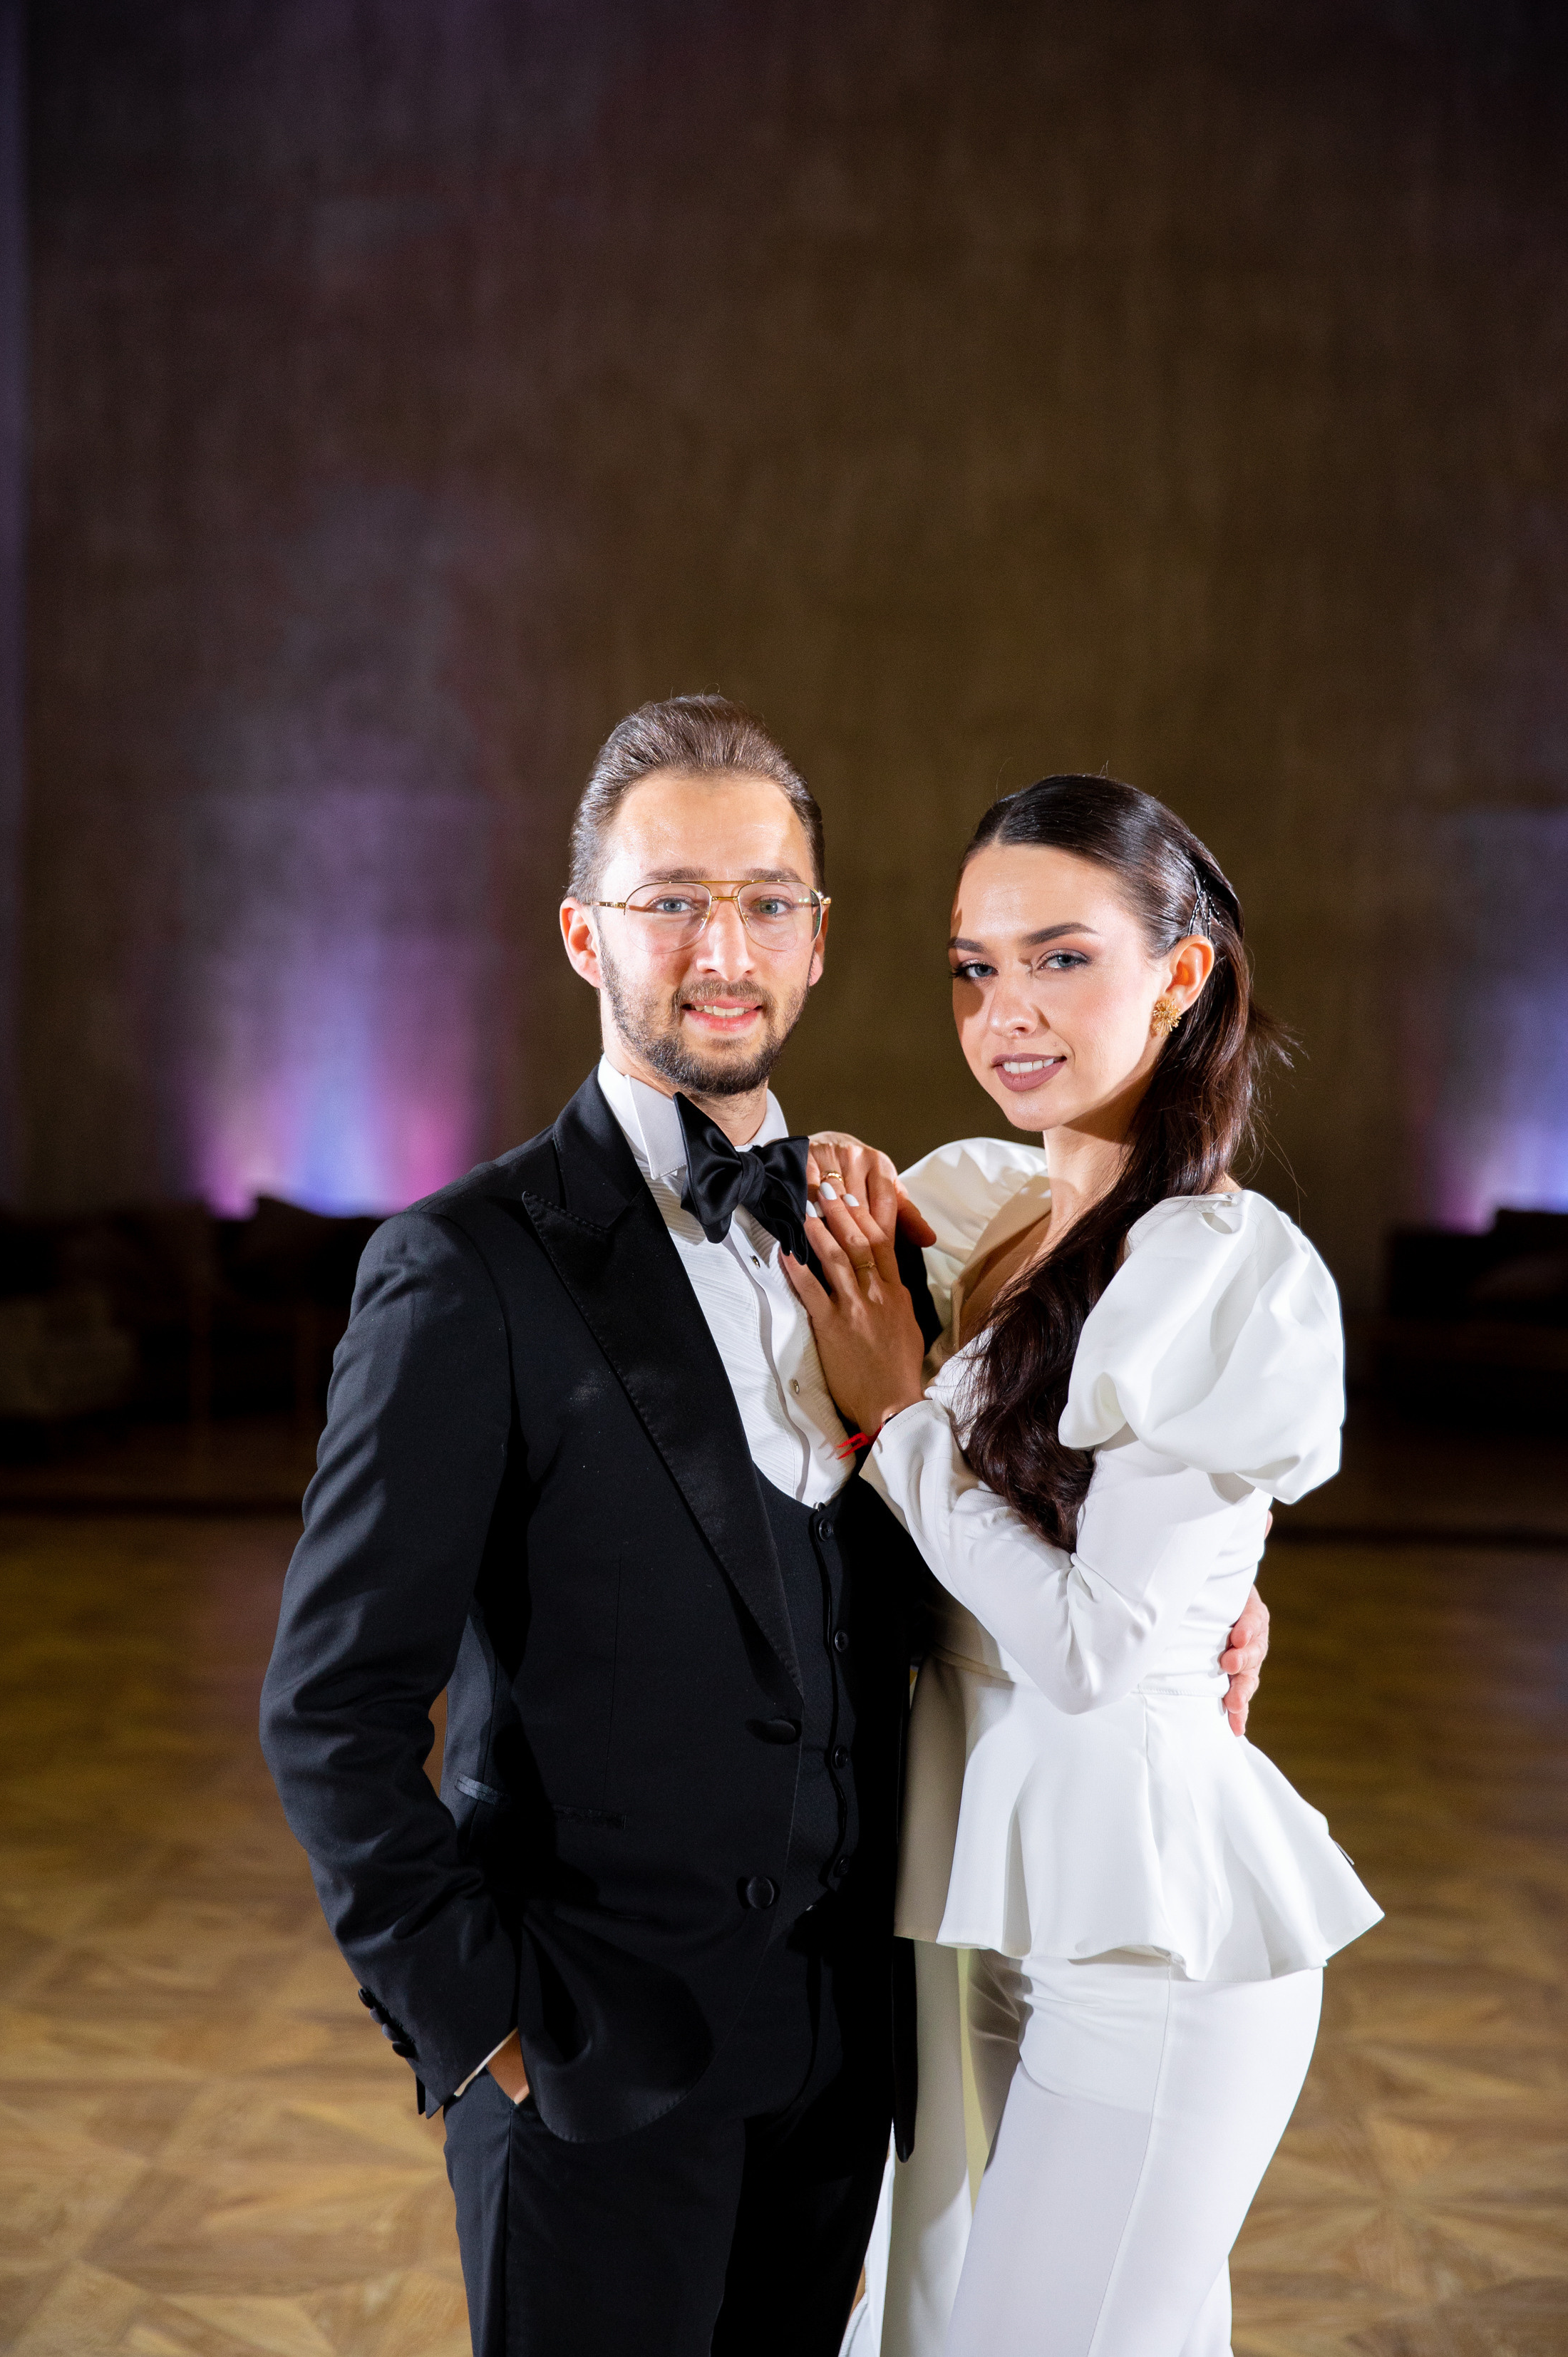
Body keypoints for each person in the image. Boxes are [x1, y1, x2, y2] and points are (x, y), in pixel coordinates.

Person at [259, 703, 1270, 2357]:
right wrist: (491, 2028)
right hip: (591, 2063)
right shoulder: (465, 1269)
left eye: (767, 900)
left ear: (815, 941)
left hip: (850, 2056)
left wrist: (1211, 1595)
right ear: (586, 932)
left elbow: (1013, 1510)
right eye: (670, 901)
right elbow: (328, 1714)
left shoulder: (896, 1230)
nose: (720, 948)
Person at [785, 776, 1381, 2357]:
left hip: (1144, 1933)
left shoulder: (1221, 1264)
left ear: (1181, 978)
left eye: (1060, 959)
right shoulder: (1002, 1214)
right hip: (990, 1893)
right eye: (974, 967)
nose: (1006, 1010)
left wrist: (899, 1424)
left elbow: (1097, 1652)